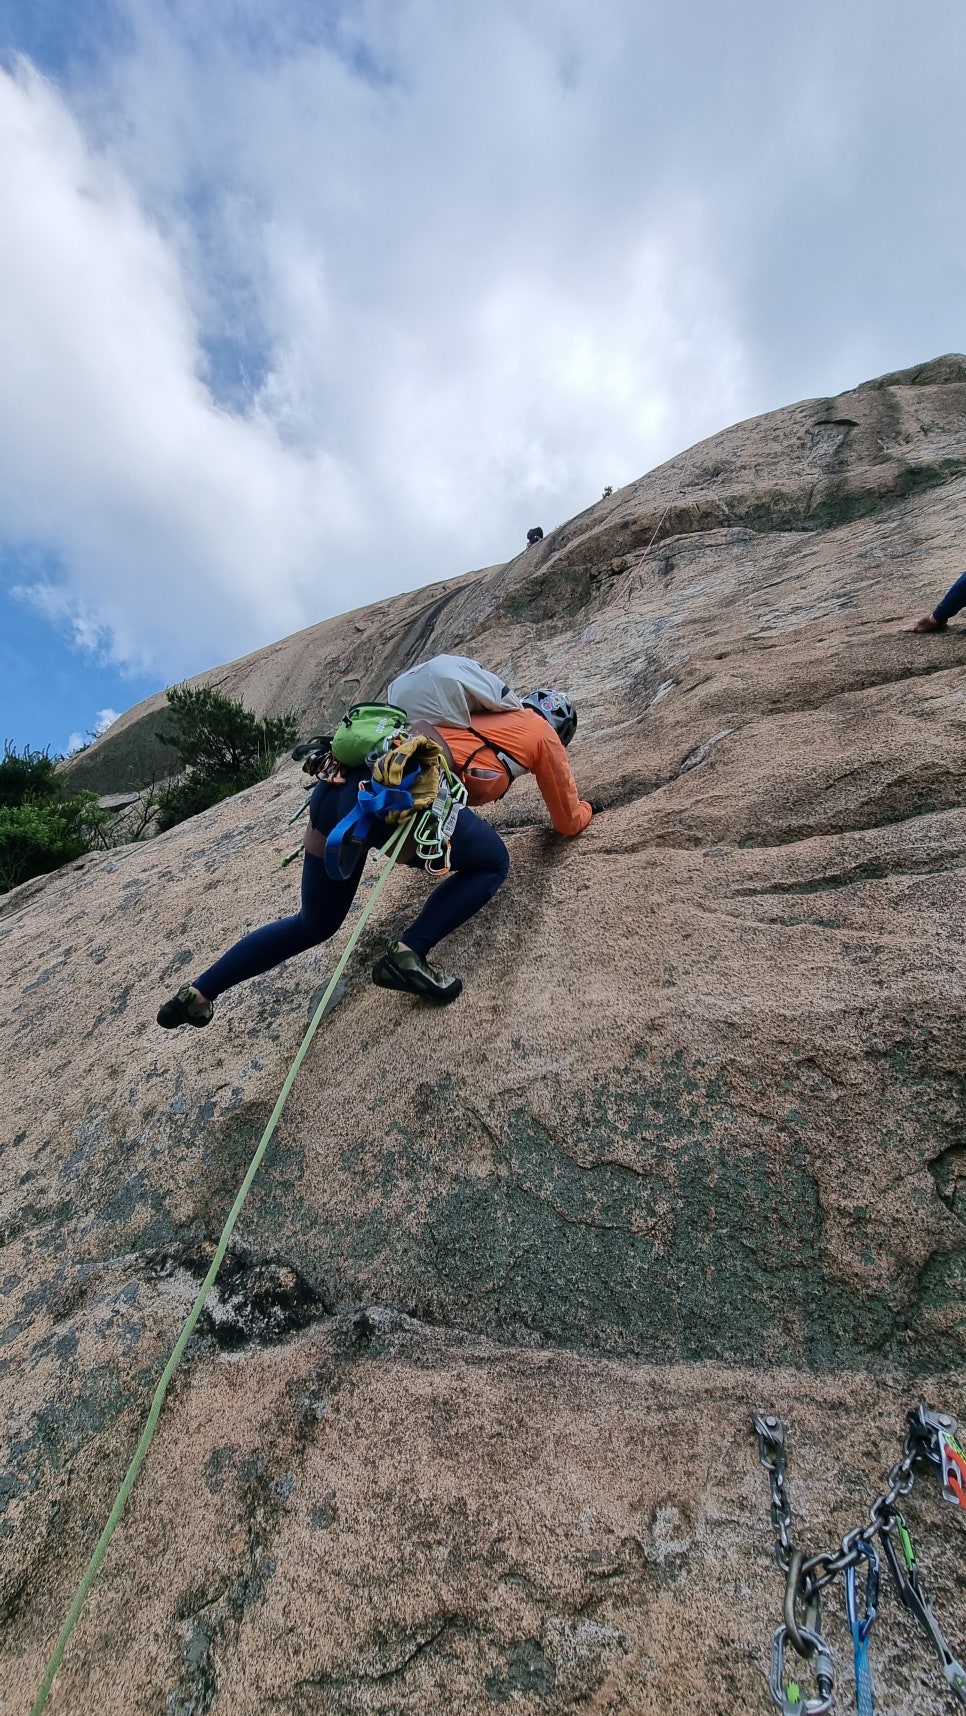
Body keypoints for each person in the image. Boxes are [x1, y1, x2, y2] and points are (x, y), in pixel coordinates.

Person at [156, 751, 510, 1026]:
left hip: (333, 786)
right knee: (493, 861)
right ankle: (409, 951)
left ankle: (199, 993)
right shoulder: (528, 732)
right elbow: (567, 812)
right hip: (385, 796)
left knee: (314, 922)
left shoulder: (433, 697)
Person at [428, 689, 594, 837]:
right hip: (433, 782)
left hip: (418, 750)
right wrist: (587, 808)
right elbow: (568, 822)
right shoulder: (546, 736)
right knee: (496, 862)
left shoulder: (493, 708)